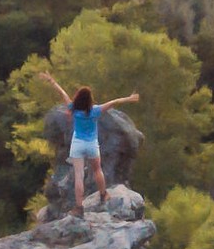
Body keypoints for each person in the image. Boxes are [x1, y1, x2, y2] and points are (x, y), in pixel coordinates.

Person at [23, 62, 143, 214]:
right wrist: (130, 98)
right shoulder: (95, 111)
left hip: (77, 144)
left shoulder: (73, 109)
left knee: (79, 176)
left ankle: (79, 207)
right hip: (92, 144)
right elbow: (114, 102)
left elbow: (63, 94)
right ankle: (103, 194)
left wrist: (52, 81)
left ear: (78, 98)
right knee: (97, 170)